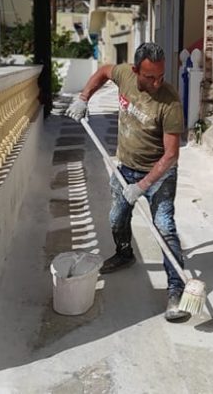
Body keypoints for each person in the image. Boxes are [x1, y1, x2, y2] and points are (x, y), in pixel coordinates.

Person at [65, 43, 190, 322]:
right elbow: (103, 72)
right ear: (135, 70)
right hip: (124, 168)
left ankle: (176, 289)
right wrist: (83, 98)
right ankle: (124, 253)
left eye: (160, 76)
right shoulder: (124, 75)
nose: (156, 83)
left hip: (159, 175)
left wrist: (143, 186)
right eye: (150, 77)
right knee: (116, 218)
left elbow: (171, 154)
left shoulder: (170, 102)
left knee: (165, 228)